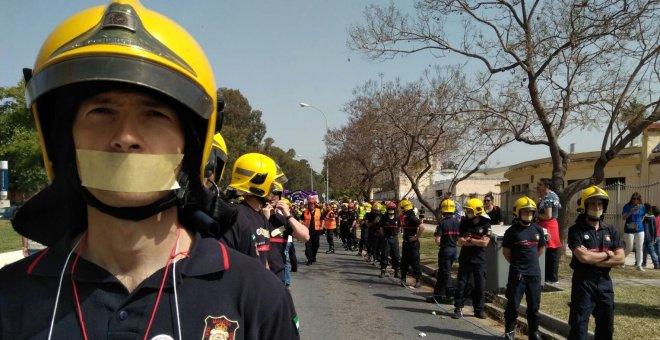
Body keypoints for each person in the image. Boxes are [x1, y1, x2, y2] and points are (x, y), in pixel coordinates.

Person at [0, 1, 299, 338]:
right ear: (63, 143)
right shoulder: (9, 298)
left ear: (191, 146)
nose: (125, 138)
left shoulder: (256, 296)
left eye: (154, 114)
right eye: (101, 111)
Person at [567, 186, 624, 340]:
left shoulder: (611, 230)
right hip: (583, 283)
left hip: (605, 284)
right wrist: (607, 254)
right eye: (592, 204)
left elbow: (620, 258)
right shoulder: (576, 230)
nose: (597, 207)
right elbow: (583, 258)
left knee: (607, 327)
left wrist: (593, 257)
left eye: (600, 204)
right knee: (578, 327)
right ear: (584, 206)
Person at [222, 153, 282, 268]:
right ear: (258, 182)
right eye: (271, 182)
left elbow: (263, 259)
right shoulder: (237, 217)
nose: (274, 187)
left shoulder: (262, 216)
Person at [502, 197, 546, 340]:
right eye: (525, 211)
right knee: (513, 305)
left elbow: (540, 250)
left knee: (534, 307)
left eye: (531, 212)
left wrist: (530, 263)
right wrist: (519, 265)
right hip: (517, 274)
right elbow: (506, 253)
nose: (528, 214)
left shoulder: (538, 229)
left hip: (534, 274)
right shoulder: (511, 232)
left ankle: (534, 333)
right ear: (518, 212)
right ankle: (509, 331)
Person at [453, 198, 491, 319]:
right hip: (465, 258)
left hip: (479, 260)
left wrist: (469, 240)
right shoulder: (464, 223)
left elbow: (485, 243)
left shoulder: (486, 224)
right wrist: (476, 241)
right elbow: (460, 241)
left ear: (477, 211)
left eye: (469, 210)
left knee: (480, 285)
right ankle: (458, 308)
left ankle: (478, 310)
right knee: (461, 284)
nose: (467, 212)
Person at [265, 185, 309, 286]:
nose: (272, 196)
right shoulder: (255, 217)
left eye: (276, 193)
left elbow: (305, 237)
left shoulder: (284, 219)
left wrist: (288, 214)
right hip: (258, 276)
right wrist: (263, 219)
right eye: (269, 192)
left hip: (278, 277)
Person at [426, 199, 459, 304]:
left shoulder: (442, 223)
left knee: (445, 273)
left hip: (445, 250)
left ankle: (450, 296)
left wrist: (442, 245)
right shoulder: (457, 222)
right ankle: (437, 295)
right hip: (454, 250)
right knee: (441, 272)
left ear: (442, 210)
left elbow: (437, 239)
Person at [536, 179, 562, 283]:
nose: (538, 186)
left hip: (548, 226)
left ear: (547, 186)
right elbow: (559, 207)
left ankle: (550, 277)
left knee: (549, 251)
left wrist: (536, 215)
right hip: (551, 225)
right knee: (552, 251)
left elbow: (548, 215)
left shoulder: (548, 197)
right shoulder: (554, 195)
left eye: (540, 184)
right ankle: (551, 276)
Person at [399, 199, 424, 288]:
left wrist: (416, 237)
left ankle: (418, 279)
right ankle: (403, 279)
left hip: (413, 245)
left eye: (402, 208)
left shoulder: (412, 217)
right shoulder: (406, 217)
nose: (401, 210)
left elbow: (421, 227)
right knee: (404, 262)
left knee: (415, 262)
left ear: (405, 208)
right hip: (406, 243)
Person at [622, 192, 646, 271]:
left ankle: (639, 265)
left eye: (637, 199)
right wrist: (631, 212)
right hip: (629, 230)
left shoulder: (642, 207)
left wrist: (638, 224)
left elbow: (643, 216)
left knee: (639, 247)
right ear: (632, 199)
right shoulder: (627, 206)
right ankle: (621, 260)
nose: (635, 200)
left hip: (640, 230)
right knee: (629, 247)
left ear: (640, 200)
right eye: (634, 199)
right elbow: (624, 217)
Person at [379, 202, 400, 278]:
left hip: (394, 238)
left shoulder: (397, 217)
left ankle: (397, 271)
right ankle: (383, 270)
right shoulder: (384, 217)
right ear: (387, 209)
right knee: (384, 254)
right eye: (389, 209)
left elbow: (399, 227)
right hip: (386, 238)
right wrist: (383, 236)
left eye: (392, 209)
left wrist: (396, 234)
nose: (391, 210)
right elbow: (381, 228)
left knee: (396, 255)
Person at [303, 197, 322, 265]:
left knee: (316, 245)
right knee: (308, 245)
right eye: (310, 204)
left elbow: (322, 219)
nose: (311, 205)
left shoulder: (319, 211)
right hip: (307, 231)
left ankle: (313, 256)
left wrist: (322, 226)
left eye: (312, 204)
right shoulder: (305, 212)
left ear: (314, 204)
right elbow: (301, 220)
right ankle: (309, 260)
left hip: (316, 231)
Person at [641, 203, 659, 269]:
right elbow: (654, 229)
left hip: (644, 235)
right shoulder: (652, 217)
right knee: (645, 250)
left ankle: (656, 263)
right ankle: (644, 263)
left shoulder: (644, 217)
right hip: (650, 236)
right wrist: (654, 237)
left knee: (651, 250)